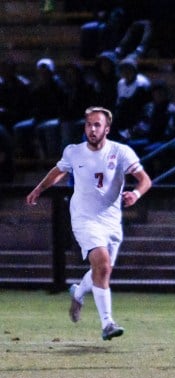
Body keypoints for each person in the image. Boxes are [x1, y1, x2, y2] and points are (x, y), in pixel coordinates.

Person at [25, 106, 152, 340]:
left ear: (107, 129)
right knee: (102, 264)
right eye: (88, 124)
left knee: (101, 271)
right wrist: (39, 188)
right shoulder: (74, 152)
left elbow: (145, 180)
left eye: (97, 125)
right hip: (84, 217)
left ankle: (78, 292)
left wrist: (136, 194)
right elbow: (58, 171)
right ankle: (107, 324)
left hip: (112, 221)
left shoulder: (121, 152)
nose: (92, 129)